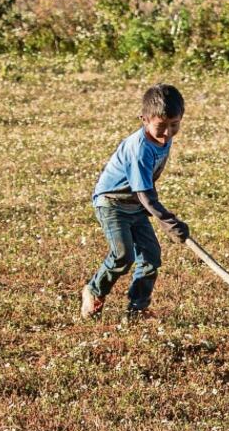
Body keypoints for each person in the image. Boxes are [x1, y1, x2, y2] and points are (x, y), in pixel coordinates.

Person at [80, 84, 190, 320]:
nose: (168, 133)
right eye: (161, 126)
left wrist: (160, 216)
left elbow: (146, 189)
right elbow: (145, 193)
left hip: (136, 204)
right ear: (144, 119)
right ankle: (94, 291)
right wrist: (168, 221)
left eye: (174, 125)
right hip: (112, 203)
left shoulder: (163, 139)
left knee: (151, 257)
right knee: (123, 255)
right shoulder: (139, 148)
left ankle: (137, 309)